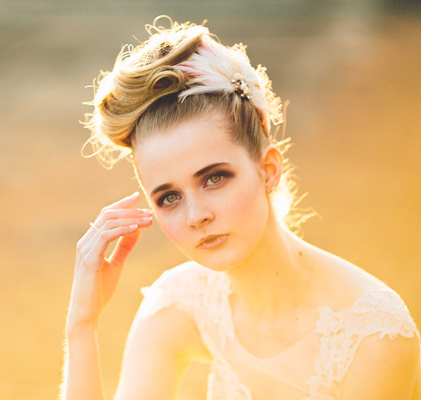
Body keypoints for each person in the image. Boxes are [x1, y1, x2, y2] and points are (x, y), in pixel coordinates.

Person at [61, 16, 420, 400]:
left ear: (268, 170)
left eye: (214, 178)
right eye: (169, 197)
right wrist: (82, 325)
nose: (196, 215)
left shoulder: (374, 335)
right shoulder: (181, 302)